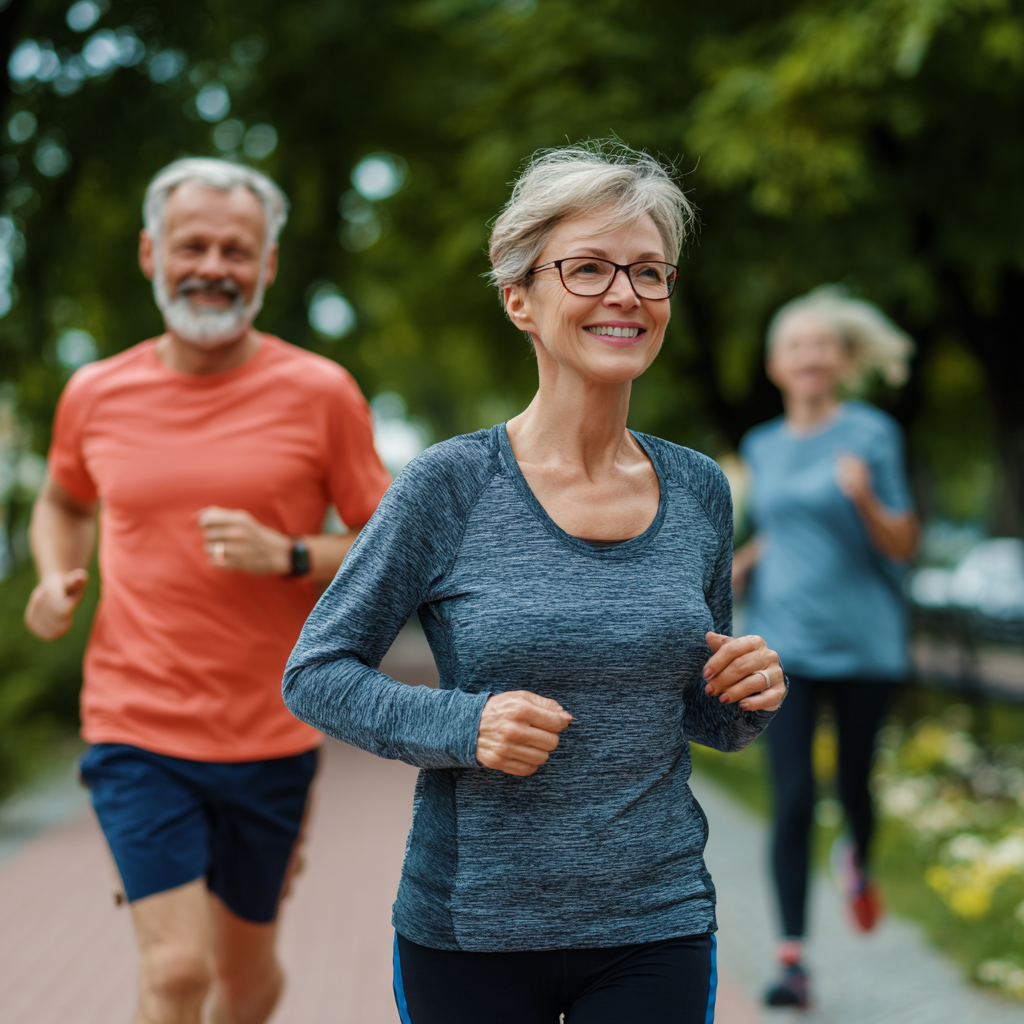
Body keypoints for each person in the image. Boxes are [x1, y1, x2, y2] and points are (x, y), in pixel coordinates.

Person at [282, 142, 787, 1024]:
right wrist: (464, 722)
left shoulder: (700, 488)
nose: (625, 294)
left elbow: (699, 712)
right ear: (520, 297)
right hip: (472, 928)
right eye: (588, 268)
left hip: (654, 920)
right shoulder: (449, 485)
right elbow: (316, 671)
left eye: (648, 272)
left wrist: (745, 695)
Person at [24, 158, 391, 1024]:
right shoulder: (95, 392)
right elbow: (64, 500)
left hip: (273, 729)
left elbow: (392, 545)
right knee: (180, 972)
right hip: (136, 725)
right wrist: (53, 575)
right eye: (193, 244)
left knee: (245, 980)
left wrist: (294, 553)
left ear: (266, 267)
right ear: (152, 253)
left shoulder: (320, 392)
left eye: (237, 249)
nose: (213, 266)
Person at [733, 286, 918, 1009]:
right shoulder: (761, 445)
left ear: (842, 361)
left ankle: (859, 859)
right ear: (776, 365)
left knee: (853, 784)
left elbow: (903, 545)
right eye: (795, 346)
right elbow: (787, 525)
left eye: (822, 345)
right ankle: (791, 961)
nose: (810, 356)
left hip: (866, 639)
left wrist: (866, 498)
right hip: (786, 642)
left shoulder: (872, 435)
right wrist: (751, 557)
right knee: (792, 798)